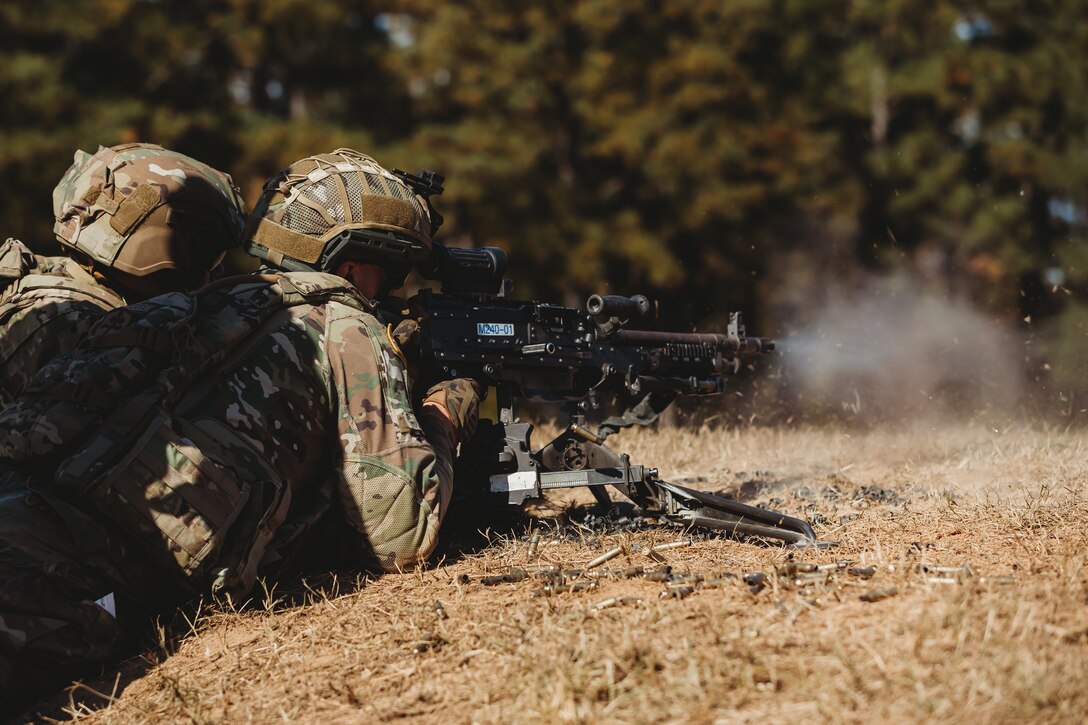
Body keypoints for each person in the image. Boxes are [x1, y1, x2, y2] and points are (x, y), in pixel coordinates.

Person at [0, 148, 481, 706]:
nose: (390, 292)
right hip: (69, 582)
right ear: (350, 267)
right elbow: (401, 535)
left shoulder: (197, 303)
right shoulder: (348, 328)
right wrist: (442, 415)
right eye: (390, 273)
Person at [0, 143, 247, 403]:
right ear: (153, 252)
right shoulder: (88, 328)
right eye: (210, 256)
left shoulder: (45, 278)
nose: (215, 270)